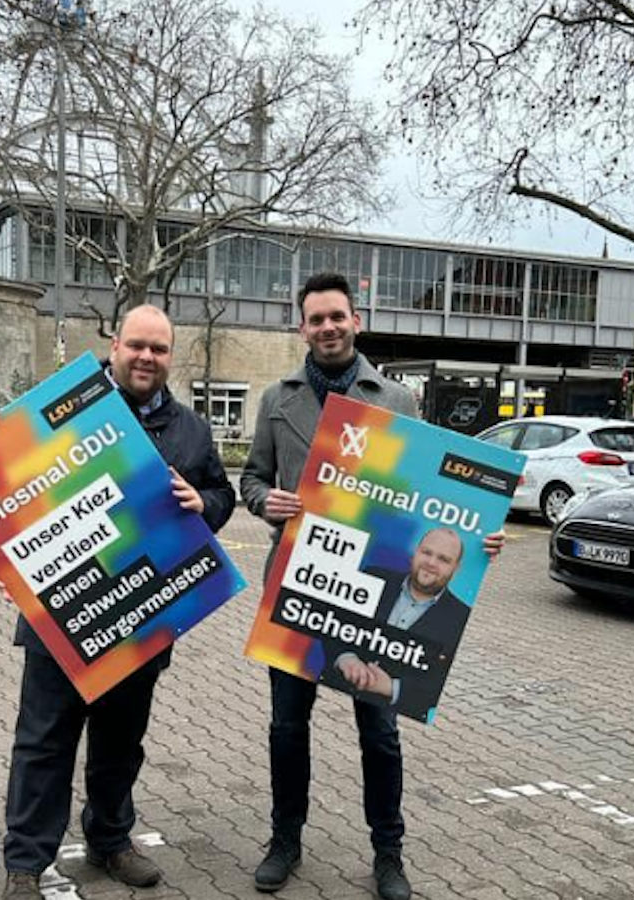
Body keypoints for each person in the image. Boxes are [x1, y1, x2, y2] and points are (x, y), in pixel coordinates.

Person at [240, 272, 506, 900]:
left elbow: (438, 497)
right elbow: (252, 478)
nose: (327, 327)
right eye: (315, 319)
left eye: (337, 316)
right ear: (301, 327)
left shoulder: (396, 399)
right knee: (286, 727)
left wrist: (482, 537)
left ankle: (389, 852)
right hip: (302, 585)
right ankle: (285, 841)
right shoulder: (278, 399)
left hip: (379, 591)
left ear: (356, 320)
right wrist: (263, 501)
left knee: (379, 730)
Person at [2, 305, 237, 900]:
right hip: (64, 612)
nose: (146, 358)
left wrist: (203, 504)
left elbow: (220, 494)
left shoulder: (191, 429)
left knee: (119, 743)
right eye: (137, 345)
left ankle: (110, 840)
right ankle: (26, 862)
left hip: (140, 614)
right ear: (114, 345)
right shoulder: (60, 415)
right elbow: (11, 497)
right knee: (44, 740)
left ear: (169, 357)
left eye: (158, 349)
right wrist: (12, 564)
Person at [330, 528, 471, 723]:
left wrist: (391, 687)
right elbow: (332, 621)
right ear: (415, 552)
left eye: (443, 559)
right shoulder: (373, 577)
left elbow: (439, 681)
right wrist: (345, 657)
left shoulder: (460, 617)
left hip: (390, 711)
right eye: (427, 553)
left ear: (456, 568)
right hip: (331, 688)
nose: (431, 563)